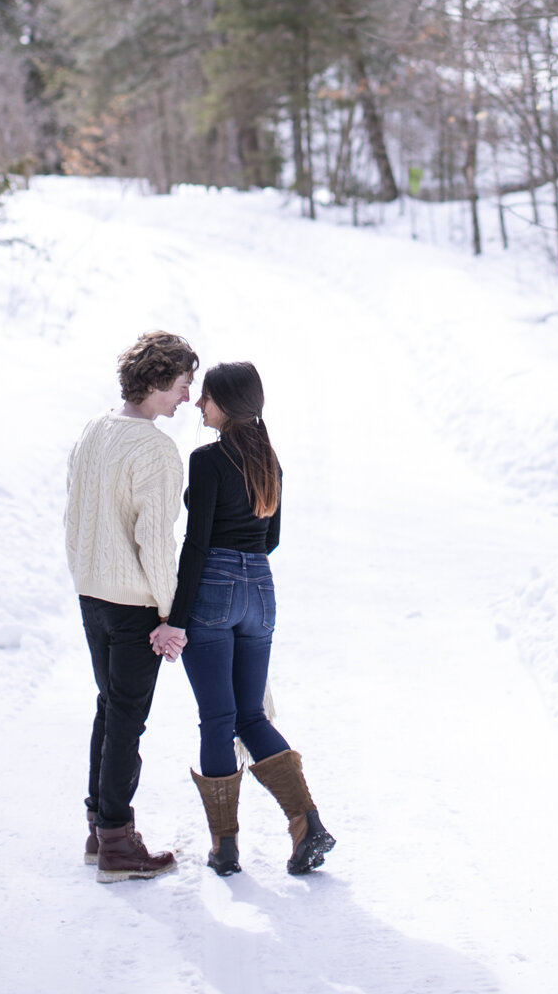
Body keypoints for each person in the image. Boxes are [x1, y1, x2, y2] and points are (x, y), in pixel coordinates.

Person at [150, 360, 335, 878]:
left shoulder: (207, 461)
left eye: (206, 398)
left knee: (218, 719)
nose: (200, 406)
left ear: (226, 405)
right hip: (261, 589)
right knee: (249, 716)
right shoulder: (269, 462)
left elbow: (197, 544)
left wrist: (177, 619)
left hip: (215, 587)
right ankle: (307, 823)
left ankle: (225, 847)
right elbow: (270, 539)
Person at [64, 329, 195, 882]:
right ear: (159, 380)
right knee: (126, 721)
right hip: (133, 604)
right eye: (183, 385)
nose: (187, 398)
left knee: (109, 707)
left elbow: (75, 513)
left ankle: (101, 831)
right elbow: (155, 541)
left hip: (91, 593)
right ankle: (118, 843)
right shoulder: (156, 449)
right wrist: (171, 616)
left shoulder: (95, 429)